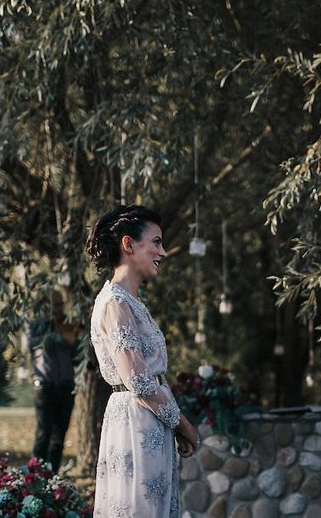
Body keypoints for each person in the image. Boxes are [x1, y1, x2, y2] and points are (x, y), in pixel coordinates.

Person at [85, 204, 198, 518]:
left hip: (150, 420)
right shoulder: (114, 303)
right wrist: (183, 424)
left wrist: (171, 424)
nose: (163, 252)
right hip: (134, 421)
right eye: (156, 242)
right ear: (129, 245)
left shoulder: (132, 303)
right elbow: (138, 380)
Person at [26, 288, 81, 473]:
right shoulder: (36, 325)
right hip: (45, 385)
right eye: (54, 305)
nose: (58, 309)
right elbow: (31, 344)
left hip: (66, 386)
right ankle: (34, 479)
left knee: (59, 439)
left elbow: (77, 358)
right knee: (44, 434)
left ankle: (52, 481)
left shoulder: (69, 324)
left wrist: (74, 341)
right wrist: (57, 334)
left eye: (60, 304)